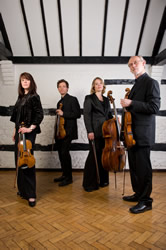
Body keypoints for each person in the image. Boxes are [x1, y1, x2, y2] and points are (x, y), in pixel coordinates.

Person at [120, 56, 160, 214]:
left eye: (135, 62)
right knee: (135, 168)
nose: (132, 66)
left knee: (143, 169)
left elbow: (154, 107)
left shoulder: (151, 83)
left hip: (143, 135)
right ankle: (138, 194)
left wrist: (131, 103)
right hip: (132, 135)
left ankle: (146, 201)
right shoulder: (136, 85)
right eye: (130, 64)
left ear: (143, 63)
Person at [11, 72, 43, 207]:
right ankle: (23, 190)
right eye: (23, 80)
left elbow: (40, 114)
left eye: (27, 80)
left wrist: (30, 128)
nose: (25, 82)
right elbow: (16, 117)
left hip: (28, 133)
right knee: (19, 161)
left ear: (31, 82)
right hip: (19, 132)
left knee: (28, 161)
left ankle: (31, 195)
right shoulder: (20, 97)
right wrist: (14, 131)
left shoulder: (34, 96)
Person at [83, 77, 113, 192]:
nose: (99, 85)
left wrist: (115, 120)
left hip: (106, 132)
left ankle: (103, 180)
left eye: (100, 83)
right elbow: (87, 115)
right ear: (93, 86)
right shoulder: (89, 98)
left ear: (103, 86)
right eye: (96, 84)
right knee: (93, 156)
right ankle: (89, 183)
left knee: (104, 156)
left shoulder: (106, 100)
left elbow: (109, 115)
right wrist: (89, 131)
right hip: (95, 131)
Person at [53, 79, 81, 186]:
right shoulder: (59, 102)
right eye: (59, 86)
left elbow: (77, 114)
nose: (61, 88)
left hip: (68, 131)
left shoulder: (73, 99)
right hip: (60, 132)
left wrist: (63, 113)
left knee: (65, 153)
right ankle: (64, 174)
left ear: (67, 88)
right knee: (61, 153)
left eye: (64, 86)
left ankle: (69, 178)